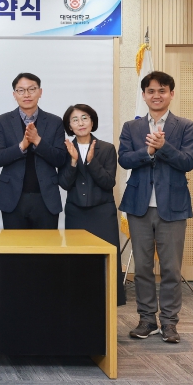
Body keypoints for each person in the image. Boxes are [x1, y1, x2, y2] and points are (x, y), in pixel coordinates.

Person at [119, 71, 193, 343]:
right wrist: (148, 152)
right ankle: (146, 320)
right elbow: (124, 160)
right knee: (142, 268)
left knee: (171, 269)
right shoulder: (132, 127)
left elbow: (188, 162)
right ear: (143, 95)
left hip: (173, 207)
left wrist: (163, 147)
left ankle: (169, 322)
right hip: (138, 206)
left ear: (171, 94)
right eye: (151, 91)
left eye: (162, 90)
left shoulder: (185, 126)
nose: (156, 95)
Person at [58, 104, 126, 306]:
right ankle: (79, 299)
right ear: (69, 126)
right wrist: (73, 162)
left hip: (102, 212)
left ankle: (111, 298)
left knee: (107, 257)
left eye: (84, 118)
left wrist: (90, 161)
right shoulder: (65, 149)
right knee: (77, 259)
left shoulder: (107, 148)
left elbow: (108, 182)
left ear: (92, 121)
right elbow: (64, 183)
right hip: (76, 212)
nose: (80, 123)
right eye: (75, 119)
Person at [0, 72, 68, 229]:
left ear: (40, 92)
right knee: (14, 244)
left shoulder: (55, 122)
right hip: (13, 198)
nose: (26, 94)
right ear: (14, 94)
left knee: (47, 244)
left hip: (46, 198)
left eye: (32, 89)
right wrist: (22, 146)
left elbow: (60, 159)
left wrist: (38, 141)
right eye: (21, 90)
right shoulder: (2, 121)